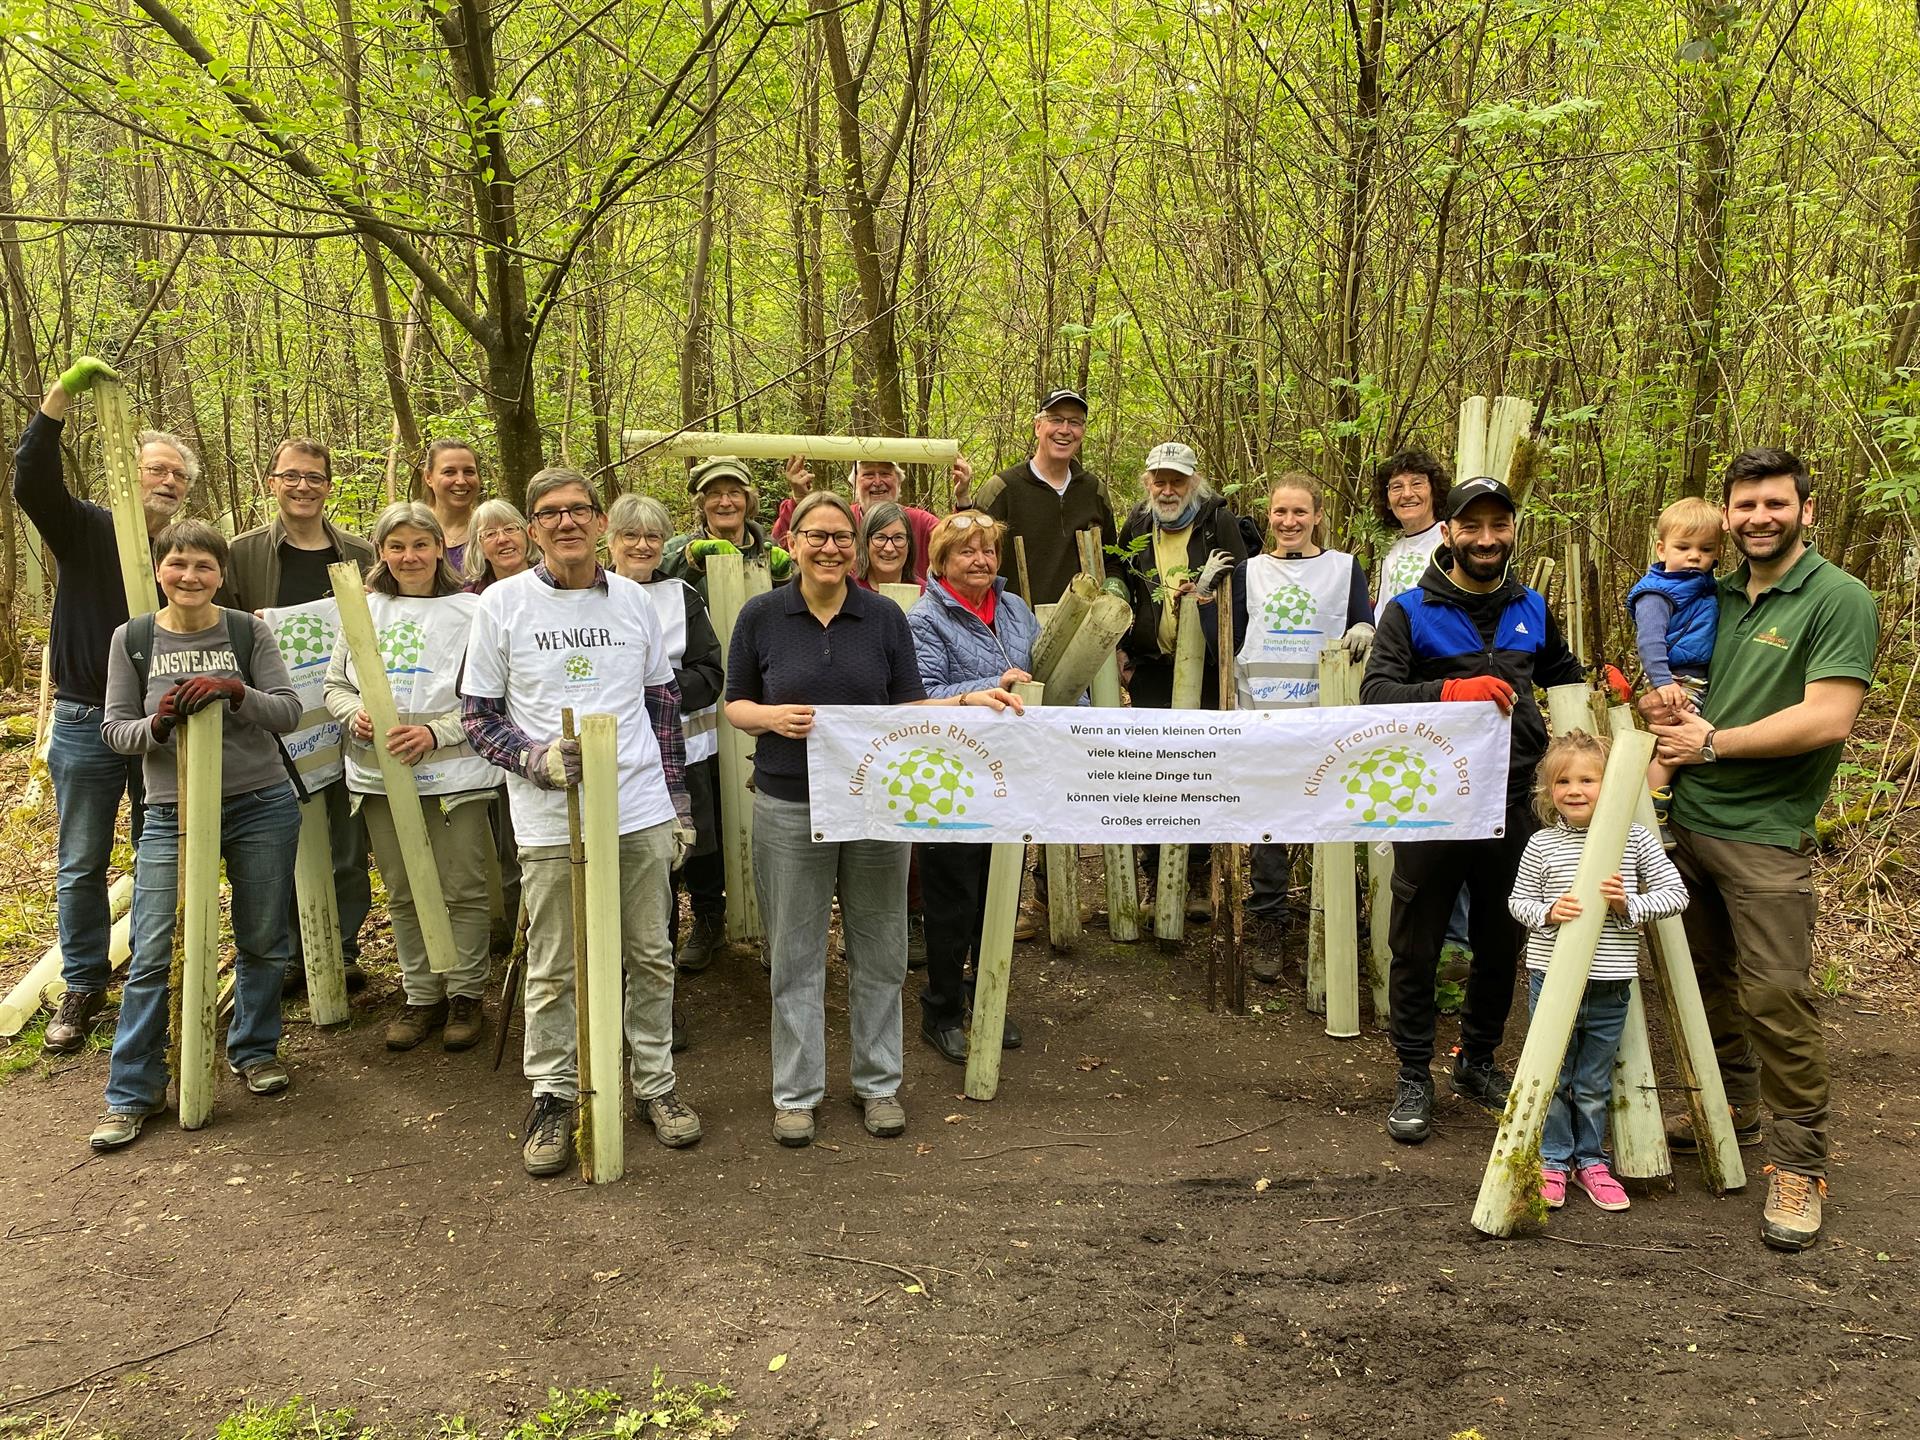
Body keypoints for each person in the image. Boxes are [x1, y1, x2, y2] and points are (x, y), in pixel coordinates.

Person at [724, 492, 1023, 1148]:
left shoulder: (884, 616)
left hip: (875, 805)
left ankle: (878, 1083)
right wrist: (771, 718)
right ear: (793, 543)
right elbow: (735, 703)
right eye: (816, 535)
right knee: (795, 955)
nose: (829, 548)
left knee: (881, 949)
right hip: (789, 804)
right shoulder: (761, 615)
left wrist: (968, 700)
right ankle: (796, 1095)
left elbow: (908, 707)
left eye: (841, 537)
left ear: (855, 549)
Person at [1648, 447, 1876, 1251]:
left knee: (1775, 994)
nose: (1759, 518)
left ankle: (1800, 1163)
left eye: (1775, 503)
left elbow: (1828, 717)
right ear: (1727, 514)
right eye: (1745, 505)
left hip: (1764, 832)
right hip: (1683, 819)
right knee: (1705, 978)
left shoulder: (1838, 598)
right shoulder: (1710, 590)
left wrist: (1712, 744)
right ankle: (1734, 1105)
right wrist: (1659, 705)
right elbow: (1676, 676)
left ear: (1806, 510)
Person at [461, 467, 702, 1177]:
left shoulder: (634, 601)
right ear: (532, 528)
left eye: (578, 510)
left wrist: (678, 805)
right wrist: (533, 759)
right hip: (550, 818)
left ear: (599, 522)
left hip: (638, 809)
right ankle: (554, 1096)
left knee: (650, 954)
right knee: (555, 966)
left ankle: (654, 1085)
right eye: (550, 513)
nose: (566, 522)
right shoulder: (502, 605)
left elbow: (662, 710)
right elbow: (478, 718)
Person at [1360, 475, 1585, 1144]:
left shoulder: (1532, 606)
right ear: (1449, 532)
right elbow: (1376, 693)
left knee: (1501, 937)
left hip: (1516, 799)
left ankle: (1477, 1060)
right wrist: (1452, 690)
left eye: (1499, 525)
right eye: (1472, 526)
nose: (1487, 539)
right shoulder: (1409, 610)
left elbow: (1564, 676)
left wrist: (1608, 690)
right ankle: (1412, 1073)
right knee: (1416, 943)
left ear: (1513, 529)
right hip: (1432, 802)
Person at [90, 521, 304, 1148]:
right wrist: (156, 725)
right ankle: (134, 1090)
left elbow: (288, 711)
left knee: (263, 936)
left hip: (260, 802)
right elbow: (114, 730)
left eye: (204, 566)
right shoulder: (132, 639)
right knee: (154, 948)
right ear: (160, 569)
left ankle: (254, 1049)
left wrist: (237, 692)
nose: (190, 577)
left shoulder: (246, 632)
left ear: (221, 574)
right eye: (178, 564)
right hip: (171, 812)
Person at [13, 357, 186, 1054]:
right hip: (86, 719)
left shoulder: (183, 558)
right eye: (157, 469)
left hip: (160, 727)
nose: (168, 481)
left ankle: (149, 974)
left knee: (158, 851)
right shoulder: (86, 528)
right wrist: (60, 396)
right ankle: (83, 983)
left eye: (179, 476)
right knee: (82, 860)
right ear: (128, 474)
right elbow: (31, 481)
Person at [324, 503, 501, 1053]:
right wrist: (352, 713)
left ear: (439, 550)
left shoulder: (473, 611)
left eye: (420, 544)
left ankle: (466, 992)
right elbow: (334, 684)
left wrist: (434, 733)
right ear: (381, 552)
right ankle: (421, 994)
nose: (409, 557)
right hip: (379, 777)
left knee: (462, 887)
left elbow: (491, 697)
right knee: (402, 889)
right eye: (396, 546)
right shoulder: (361, 609)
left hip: (453, 776)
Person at [220, 437, 377, 996]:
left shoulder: (359, 553)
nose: (302, 487)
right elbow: (222, 628)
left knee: (347, 841)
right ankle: (292, 952)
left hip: (344, 714)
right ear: (272, 482)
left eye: (313, 477)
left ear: (328, 486)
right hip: (276, 720)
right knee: (282, 837)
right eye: (291, 476)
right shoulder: (242, 554)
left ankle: (344, 948)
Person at [1508, 731, 1687, 1211]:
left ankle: (1591, 1160)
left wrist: (1628, 904)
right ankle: (1552, 1160)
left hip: (1610, 982)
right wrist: (1548, 913)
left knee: (1591, 1080)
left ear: (1611, 785)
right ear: (1548, 791)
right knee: (1553, 1072)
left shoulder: (1635, 840)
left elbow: (1676, 895)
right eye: (1563, 781)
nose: (1574, 790)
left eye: (1587, 780)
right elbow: (1518, 902)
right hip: (1550, 978)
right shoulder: (1542, 844)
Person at [905, 512, 1038, 1064]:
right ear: (941, 561)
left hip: (1012, 772)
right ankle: (939, 1009)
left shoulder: (1015, 609)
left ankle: (988, 996)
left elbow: (1043, 673)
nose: (981, 560)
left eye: (988, 550)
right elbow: (924, 692)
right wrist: (994, 684)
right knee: (951, 900)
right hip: (950, 778)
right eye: (967, 551)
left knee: (999, 892)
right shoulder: (925, 618)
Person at [1229, 472, 1373, 973]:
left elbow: (1362, 620)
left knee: (1331, 816)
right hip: (1264, 715)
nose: (1289, 521)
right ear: (1268, 515)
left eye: (1299, 512)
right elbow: (1230, 642)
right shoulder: (1249, 571)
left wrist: (1365, 627)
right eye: (1280, 511)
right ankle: (1268, 921)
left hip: (1324, 717)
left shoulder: (1344, 568)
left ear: (1317, 516)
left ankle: (1339, 921)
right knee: (1268, 824)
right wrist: (1205, 600)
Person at [1112, 441, 1250, 934]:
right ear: (1147, 482)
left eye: (1177, 480)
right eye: (1159, 480)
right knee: (1152, 772)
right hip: (1153, 667)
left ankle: (1195, 878)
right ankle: (1156, 877)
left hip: (1207, 667)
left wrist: (1208, 597)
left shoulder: (1218, 522)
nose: (1167, 490)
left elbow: (1242, 588)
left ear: (1194, 482)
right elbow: (1122, 579)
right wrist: (1123, 648)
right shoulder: (1137, 523)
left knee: (1199, 770)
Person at [606, 494, 727, 982]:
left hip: (682, 749)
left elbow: (710, 673)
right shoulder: (590, 594)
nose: (642, 545)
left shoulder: (682, 596)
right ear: (610, 540)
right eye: (631, 535)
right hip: (617, 755)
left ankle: (709, 922)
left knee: (694, 845)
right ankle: (652, 956)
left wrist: (656, 690)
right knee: (644, 862)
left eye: (653, 536)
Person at [1628, 497, 1722, 835]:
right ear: (1661, 549)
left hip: (1695, 675)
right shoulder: (1657, 594)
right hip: (1678, 679)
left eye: (1705, 549)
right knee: (1673, 749)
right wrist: (1663, 681)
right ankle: (1650, 816)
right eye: (1683, 547)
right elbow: (1650, 641)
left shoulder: (1704, 586)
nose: (1694, 556)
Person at [972, 389, 1117, 606]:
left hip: (1082, 623)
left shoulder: (1094, 491)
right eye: (1056, 419)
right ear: (1038, 426)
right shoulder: (1002, 489)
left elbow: (1112, 561)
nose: (1065, 430)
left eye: (1074, 422)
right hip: (1015, 622)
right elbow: (971, 559)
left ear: (1083, 431)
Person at [773, 454, 972, 561]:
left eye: (885, 473)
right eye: (868, 474)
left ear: (898, 481)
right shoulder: (841, 518)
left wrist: (963, 499)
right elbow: (782, 548)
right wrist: (799, 498)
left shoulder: (920, 521)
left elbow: (961, 547)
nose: (877, 482)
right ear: (855, 483)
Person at [659, 456, 787, 603]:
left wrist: (785, 579)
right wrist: (691, 559)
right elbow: (650, 586)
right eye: (715, 493)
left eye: (734, 492)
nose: (725, 503)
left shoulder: (767, 548)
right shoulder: (676, 549)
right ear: (701, 503)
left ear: (747, 500)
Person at [1372, 447, 1452, 606]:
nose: (1407, 494)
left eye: (1417, 484)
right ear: (1387, 501)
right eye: (1397, 487)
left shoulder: (1451, 541)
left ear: (1434, 491)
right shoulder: (1391, 552)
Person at [417, 439, 483, 572]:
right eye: (449, 472)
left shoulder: (493, 529)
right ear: (428, 477)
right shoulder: (413, 527)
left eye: (469, 472)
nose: (461, 481)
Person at [463, 498, 535, 593]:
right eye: (490, 534)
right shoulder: (472, 598)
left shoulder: (552, 580)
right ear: (479, 548)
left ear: (526, 534)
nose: (502, 539)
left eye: (510, 529)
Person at [855, 501, 918, 592]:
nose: (889, 548)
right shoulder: (847, 592)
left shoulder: (926, 595)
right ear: (866, 542)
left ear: (909, 543)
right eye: (880, 537)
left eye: (898, 537)